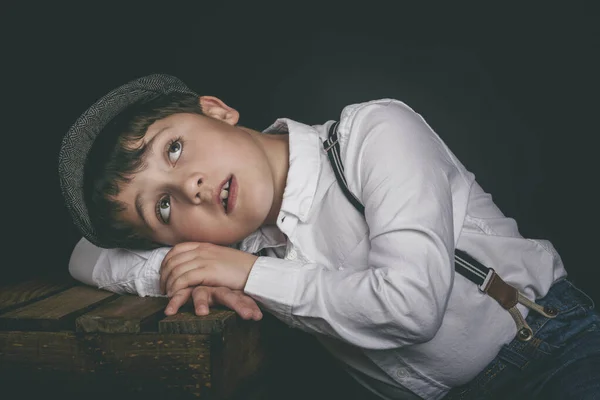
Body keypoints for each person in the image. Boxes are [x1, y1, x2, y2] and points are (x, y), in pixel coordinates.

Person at [59, 73, 600, 399]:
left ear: (215, 111)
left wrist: (246, 274)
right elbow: (86, 256)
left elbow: (412, 306)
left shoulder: (374, 133)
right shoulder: (239, 239)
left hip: (550, 358)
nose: (191, 187)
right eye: (162, 205)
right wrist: (187, 267)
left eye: (173, 148)